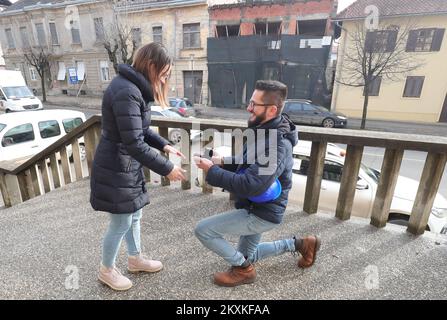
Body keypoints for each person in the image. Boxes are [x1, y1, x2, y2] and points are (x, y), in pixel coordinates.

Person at [194, 80, 321, 287]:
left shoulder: (277, 145)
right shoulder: (264, 130)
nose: (248, 108)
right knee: (246, 255)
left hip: (262, 212)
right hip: (257, 205)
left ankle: (244, 271)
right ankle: (301, 244)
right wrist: (222, 162)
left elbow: (252, 184)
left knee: (203, 230)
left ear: (271, 109)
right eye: (250, 102)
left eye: (254, 104)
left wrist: (212, 171)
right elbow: (251, 164)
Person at [90, 43, 186, 291]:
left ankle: (135, 259)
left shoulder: (133, 89)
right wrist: (167, 168)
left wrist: (164, 146)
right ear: (151, 66)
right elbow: (134, 143)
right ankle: (106, 270)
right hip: (116, 165)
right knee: (121, 222)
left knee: (135, 215)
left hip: (125, 165)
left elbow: (140, 131)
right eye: (163, 74)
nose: (164, 79)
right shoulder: (127, 92)